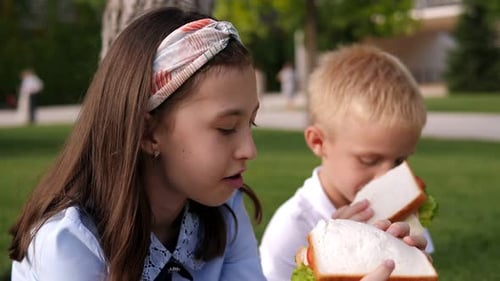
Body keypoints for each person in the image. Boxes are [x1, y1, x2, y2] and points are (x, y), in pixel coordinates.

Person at [8, 9, 427, 281]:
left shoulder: (223, 212)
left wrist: (331, 266)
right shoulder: (71, 242)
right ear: (147, 133)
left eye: (251, 123)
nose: (249, 149)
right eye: (227, 128)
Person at [259, 44, 434, 281]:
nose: (387, 176)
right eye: (369, 160)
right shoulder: (292, 229)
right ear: (318, 141)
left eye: (399, 161)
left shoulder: (402, 216)